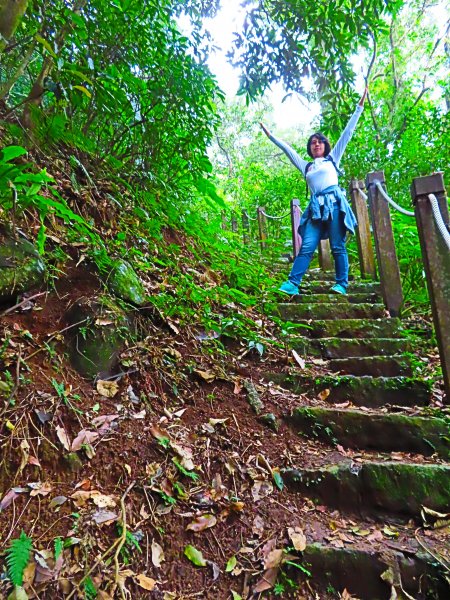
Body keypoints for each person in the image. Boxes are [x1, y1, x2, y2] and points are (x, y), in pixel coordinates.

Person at [260, 87, 368, 295]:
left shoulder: (332, 159)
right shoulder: (306, 166)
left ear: (325, 145)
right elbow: (288, 150)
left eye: (319, 141)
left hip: (335, 204)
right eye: (312, 142)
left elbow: (348, 133)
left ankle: (341, 284)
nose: (316, 144)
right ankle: (293, 284)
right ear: (310, 148)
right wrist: (271, 135)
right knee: (307, 246)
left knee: (337, 245)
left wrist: (359, 107)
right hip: (315, 209)